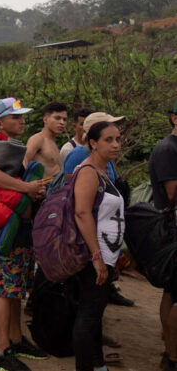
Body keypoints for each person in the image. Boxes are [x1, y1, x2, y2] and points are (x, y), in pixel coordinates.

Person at [0, 98, 47, 371]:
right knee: (6, 290)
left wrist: (34, 189)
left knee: (16, 287)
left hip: (21, 226)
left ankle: (17, 339)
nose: (22, 121)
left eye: (22, 116)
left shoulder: (16, 147)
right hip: (4, 227)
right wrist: (25, 187)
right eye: (15, 117)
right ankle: (2, 351)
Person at [71, 121, 124, 371]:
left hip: (105, 253)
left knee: (94, 313)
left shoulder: (102, 170)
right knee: (88, 314)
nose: (116, 145)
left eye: (118, 139)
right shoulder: (88, 172)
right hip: (93, 255)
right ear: (93, 142)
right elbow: (82, 213)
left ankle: (97, 363)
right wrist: (97, 257)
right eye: (109, 140)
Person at [149, 100, 177, 370]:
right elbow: (172, 194)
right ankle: (172, 354)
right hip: (172, 228)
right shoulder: (168, 148)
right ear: (174, 118)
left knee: (172, 290)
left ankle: (170, 343)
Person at [63, 112, 123, 183]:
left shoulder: (104, 155)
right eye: (108, 139)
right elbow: (71, 186)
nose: (115, 145)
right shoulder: (79, 154)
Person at [23, 102, 68, 180]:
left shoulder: (53, 142)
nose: (62, 122)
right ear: (45, 119)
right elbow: (24, 162)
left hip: (56, 188)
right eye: (57, 118)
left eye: (64, 119)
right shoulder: (37, 139)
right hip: (42, 189)